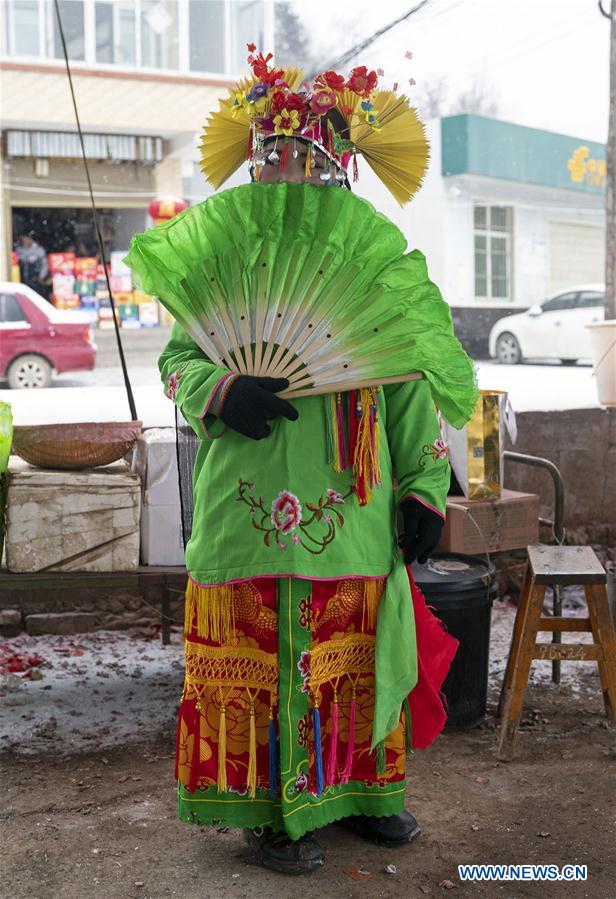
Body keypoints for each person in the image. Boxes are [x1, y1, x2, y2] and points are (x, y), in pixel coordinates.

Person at [127, 48, 477, 876]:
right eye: (274, 155)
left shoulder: (366, 264)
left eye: (306, 157)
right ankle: (275, 816)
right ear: (255, 161)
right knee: (267, 668)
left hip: (350, 514)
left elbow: (408, 389)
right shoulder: (220, 262)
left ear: (337, 166)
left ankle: (363, 797)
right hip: (247, 508)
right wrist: (220, 391)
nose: (288, 170)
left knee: (352, 658)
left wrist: (425, 488)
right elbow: (178, 364)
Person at [16, 232, 49, 298]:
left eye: (26, 239)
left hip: (35, 280)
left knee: (35, 297)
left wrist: (41, 276)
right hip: (23, 280)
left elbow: (45, 264)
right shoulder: (19, 250)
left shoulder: (39, 250)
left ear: (30, 239)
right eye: (23, 240)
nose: (24, 241)